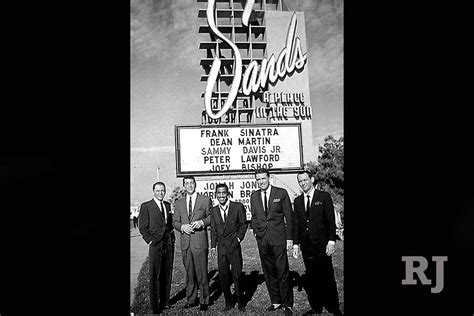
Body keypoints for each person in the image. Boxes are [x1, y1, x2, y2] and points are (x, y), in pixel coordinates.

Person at [293, 170, 342, 315]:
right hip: (306, 247)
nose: (303, 183)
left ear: (312, 179)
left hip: (322, 245)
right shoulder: (297, 201)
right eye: (300, 181)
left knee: (327, 276)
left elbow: (330, 221)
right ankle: (317, 306)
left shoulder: (324, 197)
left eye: (305, 180)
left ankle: (334, 307)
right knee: (311, 277)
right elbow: (296, 224)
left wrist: (331, 241)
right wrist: (296, 244)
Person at [250, 168, 294, 315]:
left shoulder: (281, 193)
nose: (261, 181)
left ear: (269, 178)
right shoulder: (254, 196)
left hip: (279, 238)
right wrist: (257, 233)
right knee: (269, 272)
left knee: (282, 271)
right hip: (263, 240)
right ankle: (276, 301)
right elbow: (254, 218)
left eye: (263, 178)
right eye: (258, 179)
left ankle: (287, 304)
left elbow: (289, 216)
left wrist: (289, 238)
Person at [173, 175, 212, 311]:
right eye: (187, 183)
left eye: (191, 183)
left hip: (199, 241)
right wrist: (182, 227)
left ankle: (205, 300)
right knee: (189, 273)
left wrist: (202, 222)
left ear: (195, 184)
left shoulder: (205, 200)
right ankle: (191, 299)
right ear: (184, 185)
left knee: (201, 272)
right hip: (186, 243)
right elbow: (175, 222)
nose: (189, 185)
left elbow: (212, 216)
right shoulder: (179, 202)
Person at [210, 183, 248, 312]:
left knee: (237, 274)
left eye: (223, 193)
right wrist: (213, 247)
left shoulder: (237, 207)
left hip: (234, 245)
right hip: (221, 247)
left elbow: (243, 225)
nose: (221, 195)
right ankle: (229, 302)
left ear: (228, 193)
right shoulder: (214, 210)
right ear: (216, 195)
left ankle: (241, 301)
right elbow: (213, 230)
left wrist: (238, 238)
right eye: (219, 193)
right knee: (223, 276)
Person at [138, 182, 175, 314]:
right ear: (153, 191)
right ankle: (155, 305)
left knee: (167, 273)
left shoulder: (167, 205)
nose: (160, 193)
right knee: (155, 275)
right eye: (158, 190)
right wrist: (150, 240)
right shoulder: (146, 206)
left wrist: (172, 238)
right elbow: (142, 226)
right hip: (155, 244)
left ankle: (165, 302)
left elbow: (169, 224)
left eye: (163, 191)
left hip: (168, 244)